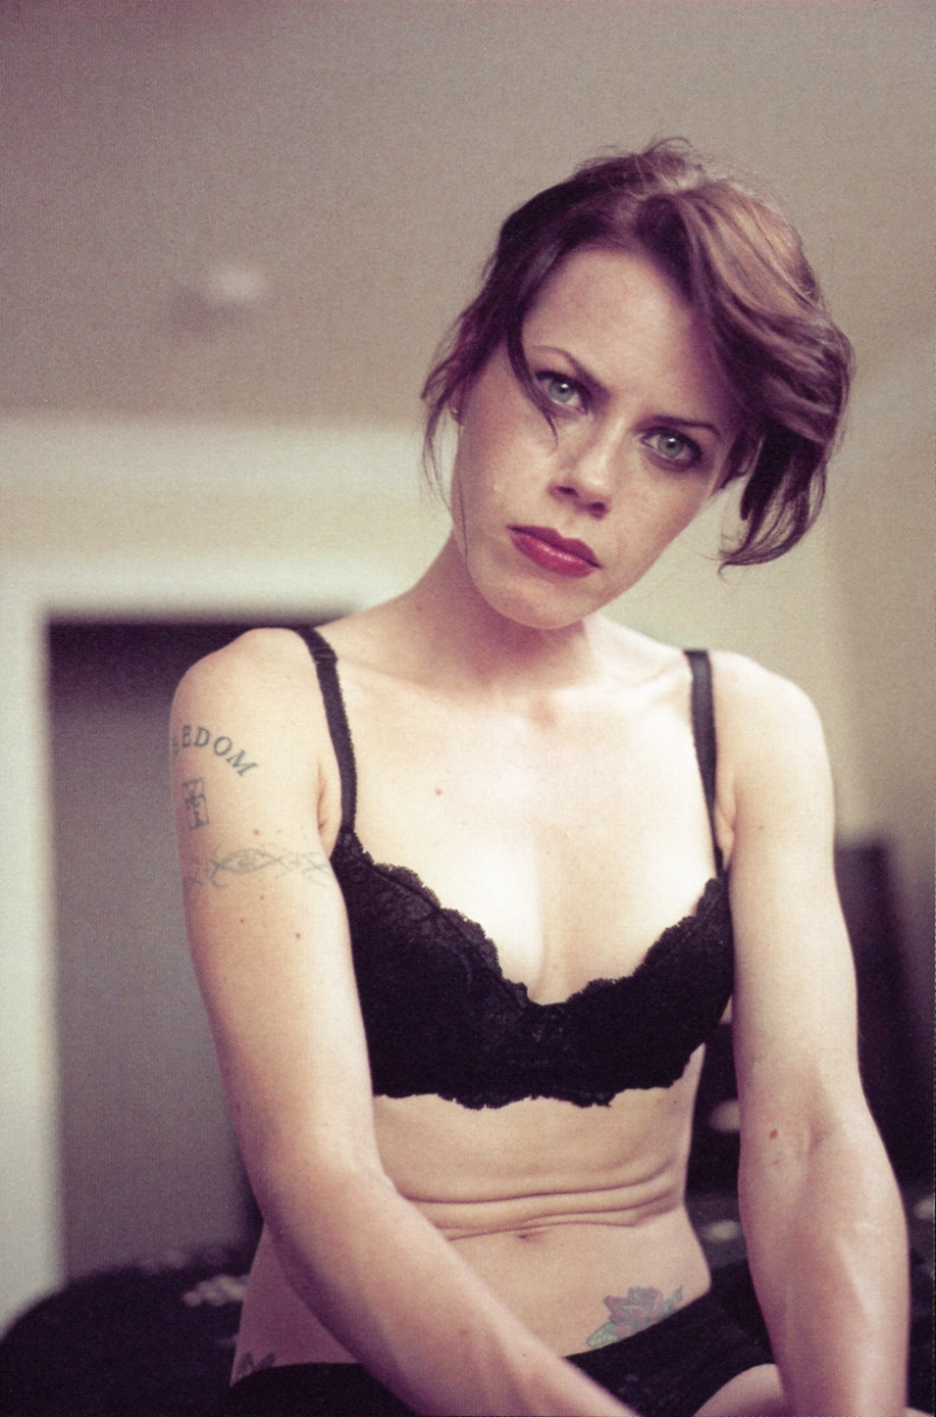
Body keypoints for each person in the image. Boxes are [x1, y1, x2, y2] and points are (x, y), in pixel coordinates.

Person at [172, 141, 914, 1416]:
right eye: (564, 389)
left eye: (672, 444)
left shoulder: (750, 728)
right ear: (474, 356)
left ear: (718, 478)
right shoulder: (265, 702)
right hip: (355, 1372)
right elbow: (314, 1167)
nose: (591, 478)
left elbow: (810, 1132)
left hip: (680, 1351)